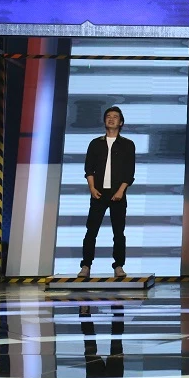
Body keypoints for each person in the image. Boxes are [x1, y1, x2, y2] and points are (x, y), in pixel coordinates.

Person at [80, 106, 135, 278]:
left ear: (121, 122)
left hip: (118, 194)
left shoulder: (128, 144)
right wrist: (92, 188)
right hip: (98, 193)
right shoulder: (95, 143)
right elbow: (89, 168)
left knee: (118, 232)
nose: (111, 119)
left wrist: (121, 191)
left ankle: (118, 266)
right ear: (104, 120)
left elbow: (129, 172)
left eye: (115, 117)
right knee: (91, 231)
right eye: (108, 116)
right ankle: (86, 265)